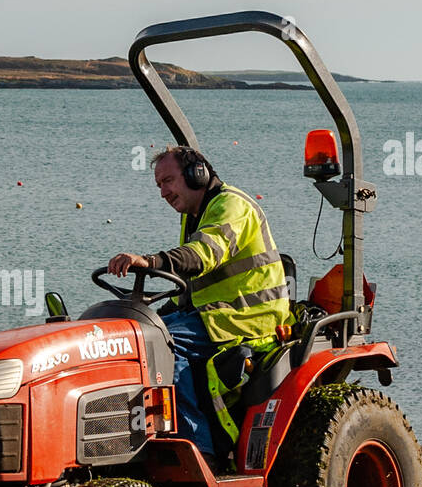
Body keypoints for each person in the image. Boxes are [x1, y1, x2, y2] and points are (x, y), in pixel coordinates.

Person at [108, 146, 292, 467]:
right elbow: (194, 286)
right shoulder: (194, 215)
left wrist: (151, 262)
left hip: (249, 316)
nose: (163, 192)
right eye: (159, 186)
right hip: (215, 313)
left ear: (197, 174)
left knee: (161, 344)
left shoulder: (232, 206)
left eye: (168, 181)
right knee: (134, 330)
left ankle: (198, 447)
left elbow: (204, 254)